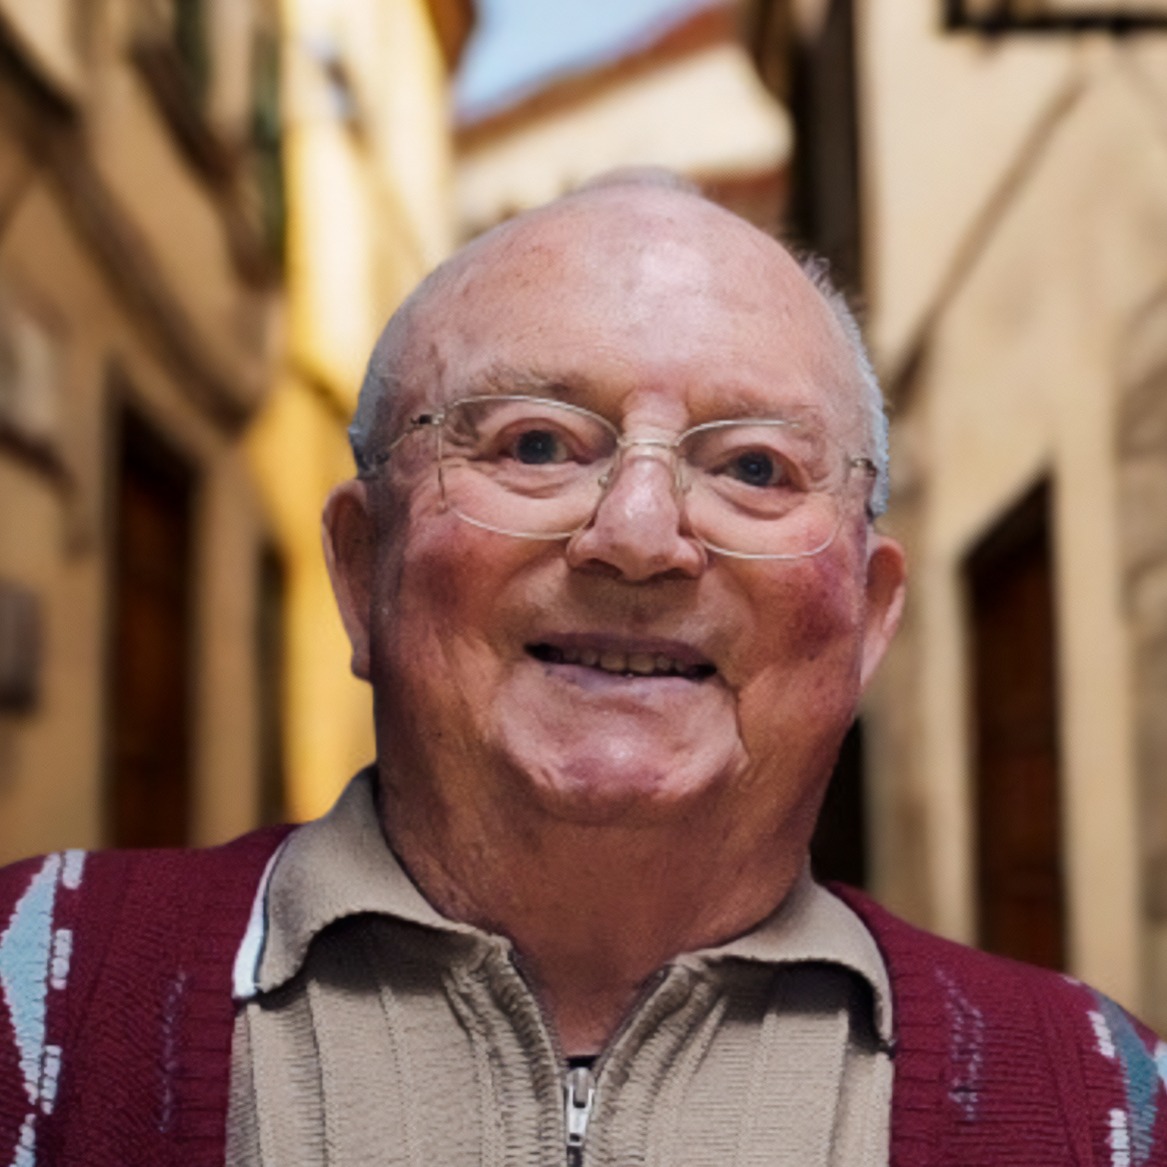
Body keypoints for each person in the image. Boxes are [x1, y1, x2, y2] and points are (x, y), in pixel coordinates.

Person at [1, 171, 1165, 1167]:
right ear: (363, 569)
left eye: (755, 468)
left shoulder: (1113, 1109)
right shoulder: (26, 1007)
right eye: (537, 443)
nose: (640, 535)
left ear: (865, 620)